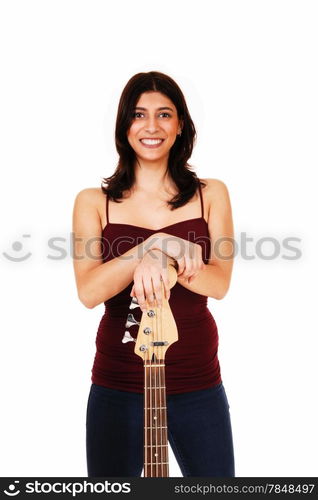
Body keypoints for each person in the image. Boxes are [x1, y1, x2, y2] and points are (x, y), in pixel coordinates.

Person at [72, 71, 235, 477]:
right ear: (124, 125)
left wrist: (168, 262)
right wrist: (154, 247)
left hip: (196, 381)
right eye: (139, 114)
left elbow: (220, 284)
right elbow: (89, 291)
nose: (151, 126)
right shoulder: (93, 202)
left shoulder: (211, 194)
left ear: (181, 126)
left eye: (165, 114)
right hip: (119, 381)